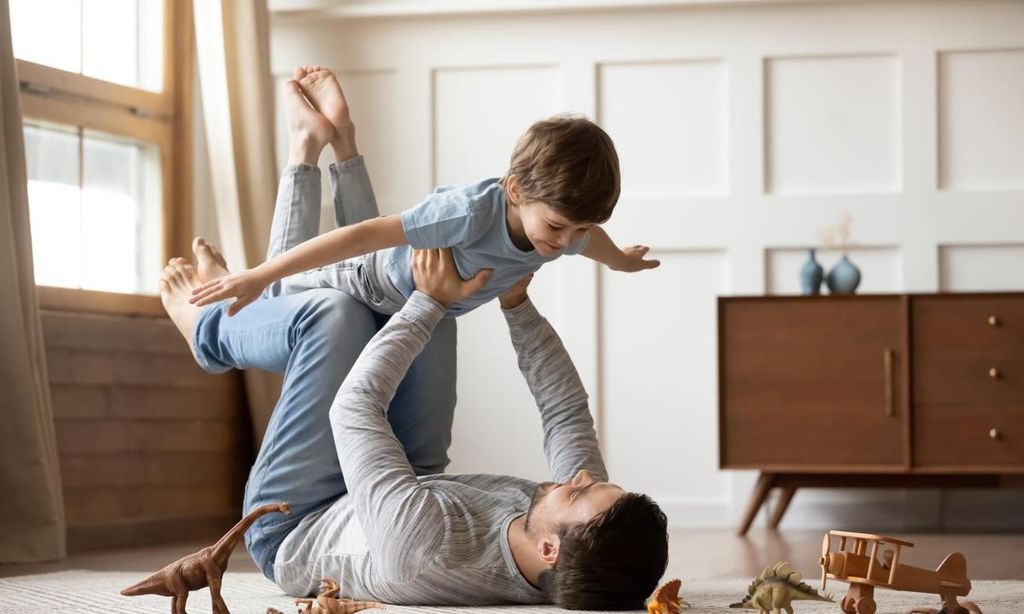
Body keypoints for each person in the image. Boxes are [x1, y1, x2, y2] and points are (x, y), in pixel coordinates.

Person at [159, 242, 668, 610]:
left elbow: (352, 409)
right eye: (593, 482)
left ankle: (207, 327)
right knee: (432, 300)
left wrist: (429, 302)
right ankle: (263, 263)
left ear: (550, 551)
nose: (578, 478)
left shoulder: (426, 550)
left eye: (580, 494)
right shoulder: (575, 530)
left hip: (298, 519)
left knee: (336, 317)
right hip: (410, 483)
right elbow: (564, 410)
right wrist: (516, 303)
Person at [188, 66, 660, 318]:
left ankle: (342, 136)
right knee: (276, 296)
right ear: (515, 190)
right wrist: (261, 275)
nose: (564, 241)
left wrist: (621, 259)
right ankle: (303, 150)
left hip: (397, 286)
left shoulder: (565, 228)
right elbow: (364, 237)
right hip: (369, 280)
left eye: (578, 228)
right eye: (557, 226)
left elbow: (589, 242)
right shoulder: (470, 213)